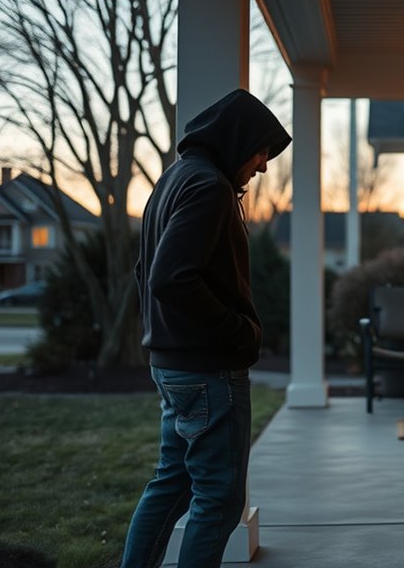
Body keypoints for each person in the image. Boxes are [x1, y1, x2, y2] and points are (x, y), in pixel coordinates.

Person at [122, 88, 291, 568]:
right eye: (260, 151)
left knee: (172, 483)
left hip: (174, 366)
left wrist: (165, 336)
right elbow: (168, 278)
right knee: (218, 499)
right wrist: (236, 331)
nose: (262, 165)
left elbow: (144, 271)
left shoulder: (173, 179)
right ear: (238, 140)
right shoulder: (208, 187)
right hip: (208, 371)